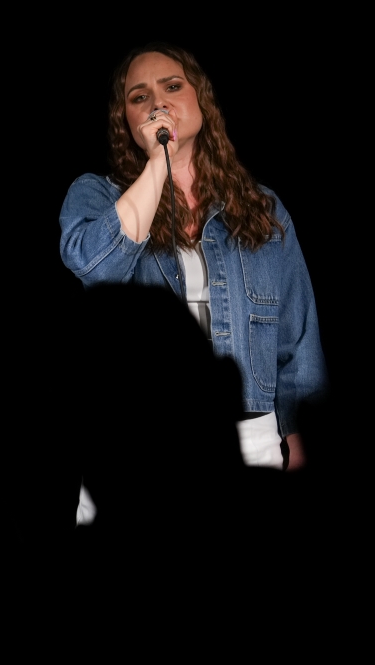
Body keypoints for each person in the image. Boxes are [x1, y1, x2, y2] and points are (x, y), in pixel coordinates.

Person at [59, 43, 327, 523]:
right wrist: (158, 163)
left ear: (201, 97)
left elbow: (297, 336)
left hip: (250, 440)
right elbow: (97, 270)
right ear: (125, 119)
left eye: (172, 86)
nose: (158, 103)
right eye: (139, 96)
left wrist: (299, 444)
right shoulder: (96, 194)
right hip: (137, 444)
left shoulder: (262, 209)